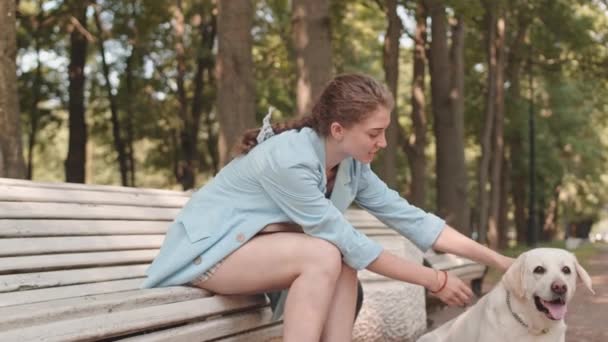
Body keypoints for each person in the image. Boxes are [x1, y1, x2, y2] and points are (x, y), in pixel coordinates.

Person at [141, 73, 513, 342]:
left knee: (341, 259)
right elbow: (351, 242)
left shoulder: (351, 166)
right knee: (326, 253)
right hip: (207, 254)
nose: (383, 142)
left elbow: (414, 220)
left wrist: (502, 262)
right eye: (374, 133)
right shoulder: (289, 160)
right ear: (338, 130)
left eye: (384, 131)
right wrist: (436, 280)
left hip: (252, 255)